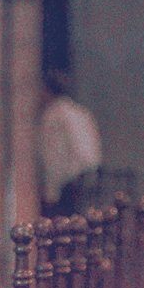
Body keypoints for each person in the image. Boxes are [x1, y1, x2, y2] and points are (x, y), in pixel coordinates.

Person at [37, 69, 102, 217]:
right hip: (85, 176)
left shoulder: (53, 115)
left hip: (67, 183)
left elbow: (53, 156)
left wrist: (51, 191)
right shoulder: (78, 111)